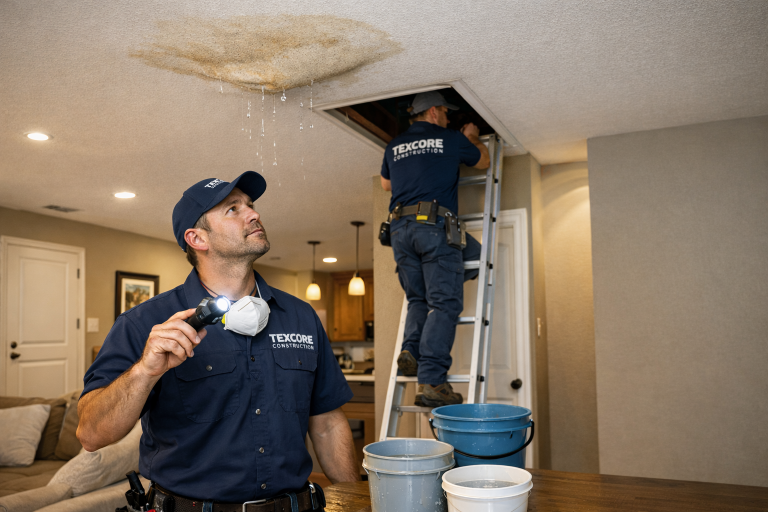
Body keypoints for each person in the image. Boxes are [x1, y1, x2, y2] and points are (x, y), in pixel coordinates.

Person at [77, 171, 358, 511]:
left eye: (250, 206)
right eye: (232, 209)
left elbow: (327, 422)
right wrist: (144, 371)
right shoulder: (145, 323)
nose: (253, 214)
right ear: (197, 239)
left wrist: (355, 497)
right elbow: (91, 434)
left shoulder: (301, 316)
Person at [380, 91, 490, 407]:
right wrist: (470, 137)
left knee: (419, 298)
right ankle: (432, 381)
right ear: (432, 113)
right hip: (435, 227)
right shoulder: (450, 137)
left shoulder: (394, 145)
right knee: (444, 304)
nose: (447, 117)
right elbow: (484, 160)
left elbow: (387, 185)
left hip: (400, 230)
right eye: (445, 112)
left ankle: (411, 350)